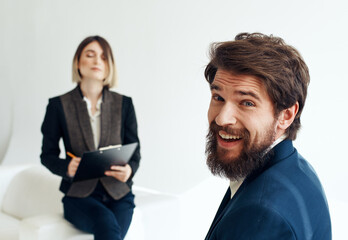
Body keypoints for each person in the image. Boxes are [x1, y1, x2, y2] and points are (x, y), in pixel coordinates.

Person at [204, 33, 331, 239]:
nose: (222, 119)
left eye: (247, 103)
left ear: (286, 115)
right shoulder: (297, 167)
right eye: (218, 97)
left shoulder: (259, 213)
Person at [40, 35, 140, 240]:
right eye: (90, 55)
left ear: (109, 65)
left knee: (112, 231)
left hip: (119, 194)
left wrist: (129, 170)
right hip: (78, 196)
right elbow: (47, 155)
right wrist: (66, 167)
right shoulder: (58, 106)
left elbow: (135, 153)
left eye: (103, 57)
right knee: (107, 225)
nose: (97, 61)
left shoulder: (124, 104)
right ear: (78, 62)